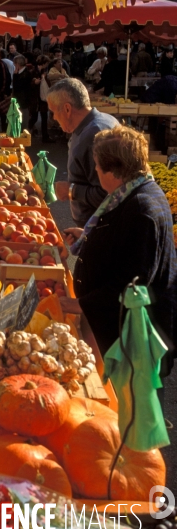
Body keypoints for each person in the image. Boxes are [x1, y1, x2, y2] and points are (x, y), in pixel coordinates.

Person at [61, 126, 177, 377]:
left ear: (112, 170)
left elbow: (132, 285)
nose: (95, 172)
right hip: (123, 332)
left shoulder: (140, 209)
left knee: (135, 406)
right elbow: (123, 245)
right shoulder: (134, 190)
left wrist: (77, 304)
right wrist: (91, 238)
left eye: (96, 166)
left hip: (135, 340)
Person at [46, 78, 119, 226]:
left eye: (54, 111)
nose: (53, 117)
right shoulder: (104, 120)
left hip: (100, 227)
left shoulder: (93, 136)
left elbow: (109, 193)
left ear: (67, 109)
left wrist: (71, 190)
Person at [12, 54, 35, 132]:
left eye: (14, 64)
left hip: (23, 102)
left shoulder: (26, 74)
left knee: (23, 123)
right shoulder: (21, 73)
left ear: (17, 64)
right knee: (19, 122)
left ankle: (24, 139)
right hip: (20, 101)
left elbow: (18, 87)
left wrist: (15, 76)